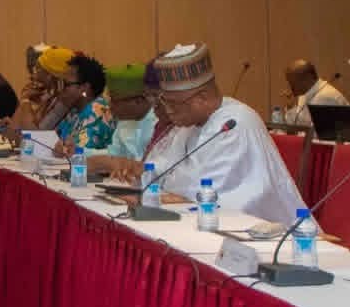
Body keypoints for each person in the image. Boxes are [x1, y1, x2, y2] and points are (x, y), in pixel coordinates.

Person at [84, 44, 304, 225]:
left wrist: (152, 189)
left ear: (202, 97)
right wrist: (133, 168)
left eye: (173, 103)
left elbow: (201, 191)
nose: (166, 110)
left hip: (263, 234)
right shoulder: (188, 123)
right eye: (163, 102)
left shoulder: (235, 123)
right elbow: (161, 167)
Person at [48, 53, 114, 152]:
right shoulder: (74, 109)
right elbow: (51, 141)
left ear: (84, 88)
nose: (61, 89)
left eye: (66, 84)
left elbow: (74, 154)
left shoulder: (97, 112)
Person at [96, 63, 156, 161]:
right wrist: (79, 152)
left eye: (114, 100)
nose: (110, 106)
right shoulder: (125, 121)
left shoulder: (160, 123)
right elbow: (114, 154)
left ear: (138, 101)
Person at [280, 59, 346, 128]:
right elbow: (297, 125)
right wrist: (291, 106)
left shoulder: (326, 97)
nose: (289, 86)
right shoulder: (304, 93)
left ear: (306, 79)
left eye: (291, 82)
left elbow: (317, 131)